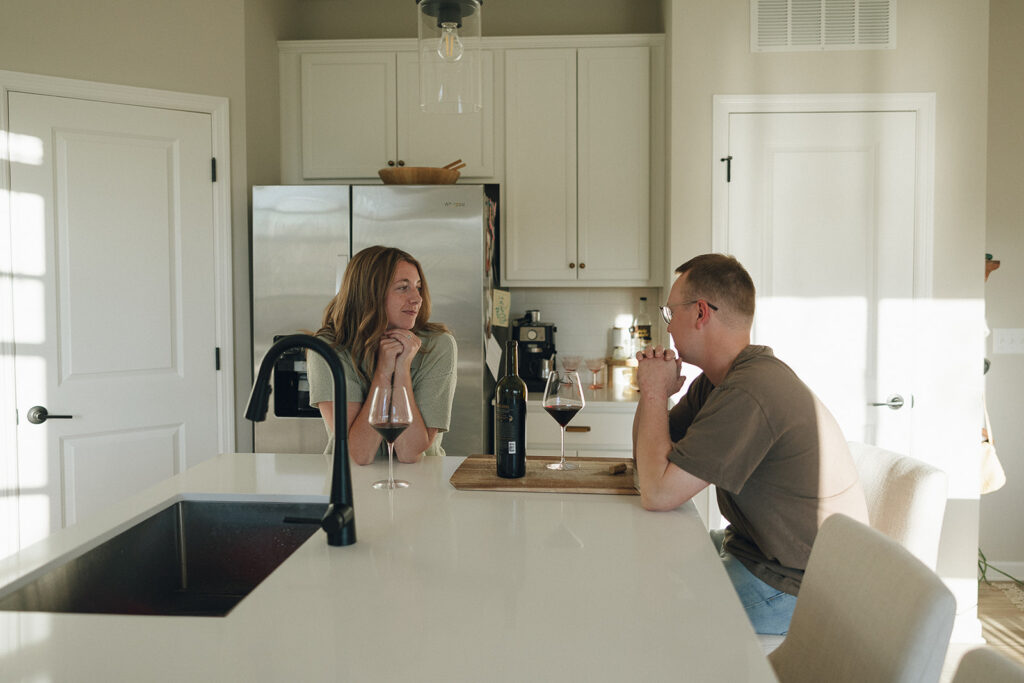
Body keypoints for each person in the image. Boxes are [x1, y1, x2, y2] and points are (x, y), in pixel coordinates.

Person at [631, 253, 868, 635]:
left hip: (802, 588)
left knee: (652, 615)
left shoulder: (750, 392)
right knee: (637, 566)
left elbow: (658, 493)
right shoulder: (715, 383)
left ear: (701, 313)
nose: (669, 327)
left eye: (670, 313)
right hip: (753, 554)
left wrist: (656, 392)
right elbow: (648, 465)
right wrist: (652, 393)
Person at [306, 245, 457, 465]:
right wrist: (384, 372)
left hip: (421, 482)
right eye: (403, 288)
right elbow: (357, 454)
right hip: (349, 481)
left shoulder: (438, 345)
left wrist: (402, 369)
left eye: (418, 287)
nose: (417, 298)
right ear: (369, 294)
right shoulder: (328, 349)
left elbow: (409, 452)